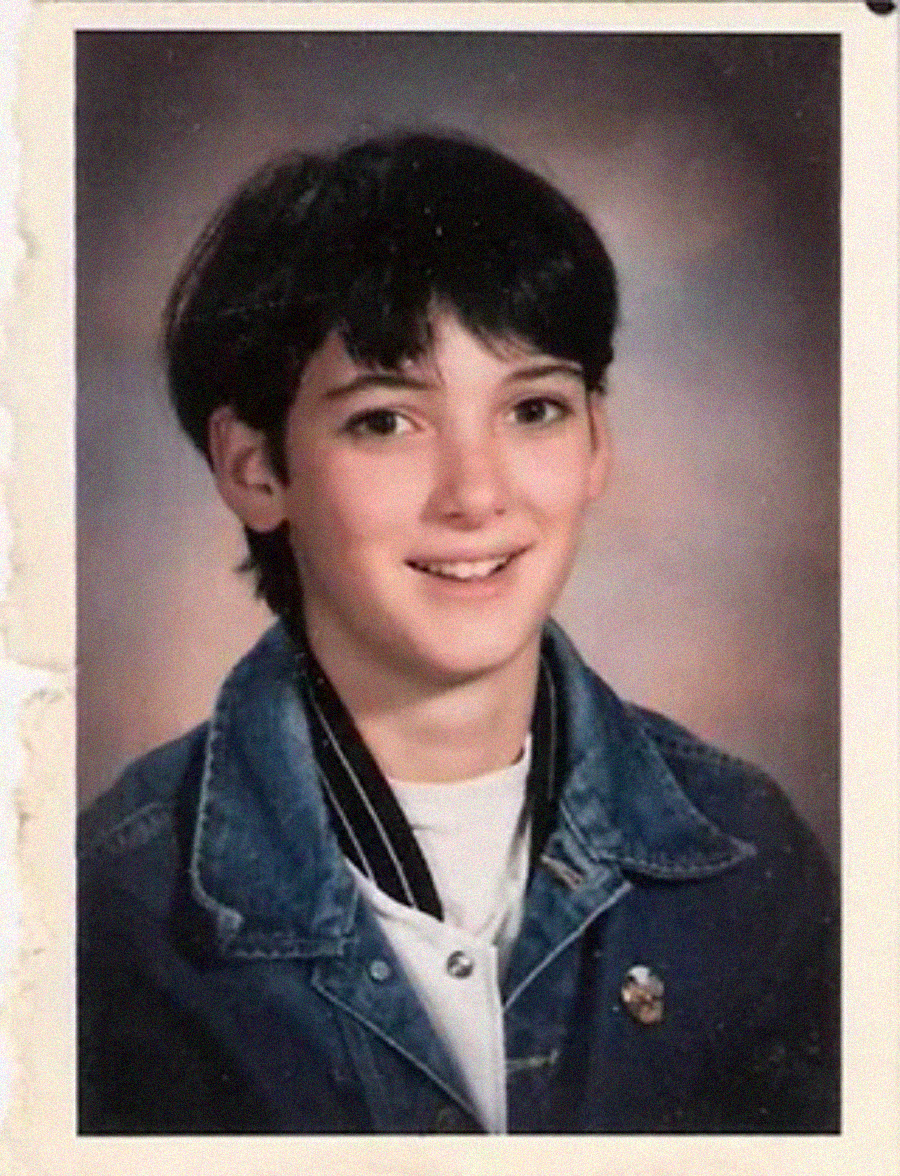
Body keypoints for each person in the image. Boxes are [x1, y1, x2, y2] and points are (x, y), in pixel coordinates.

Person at [78, 130, 839, 1134]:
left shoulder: (748, 861)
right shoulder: (112, 910)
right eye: (387, 420)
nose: (478, 496)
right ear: (256, 468)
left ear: (596, 443)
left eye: (534, 408)